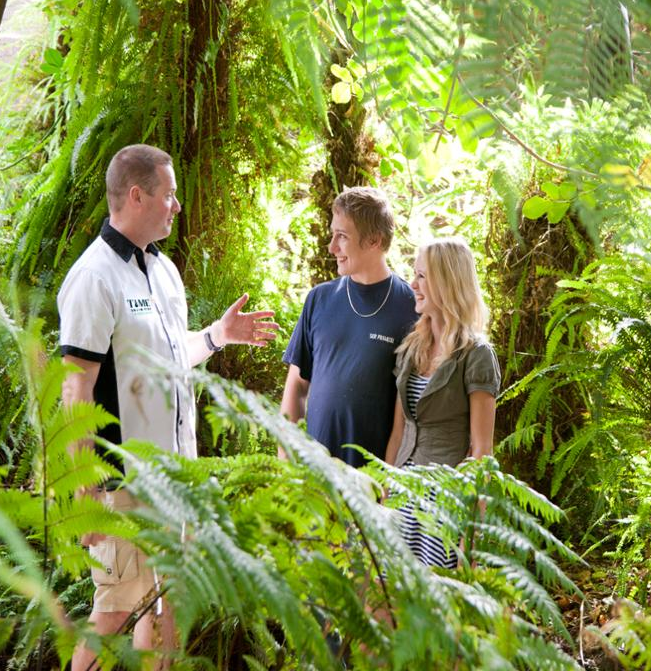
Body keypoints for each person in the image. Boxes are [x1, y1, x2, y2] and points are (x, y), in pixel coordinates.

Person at [58, 144, 278, 671]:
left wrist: (218, 336)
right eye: (170, 194)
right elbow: (75, 388)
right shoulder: (94, 277)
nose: (177, 205)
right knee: (115, 611)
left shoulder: (164, 271)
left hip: (176, 478)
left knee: (165, 610)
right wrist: (82, 487)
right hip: (124, 482)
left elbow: (172, 356)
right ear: (137, 196)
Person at [280, 186, 417, 467]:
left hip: (374, 480)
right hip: (314, 478)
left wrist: (390, 481)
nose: (332, 247)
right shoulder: (319, 299)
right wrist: (285, 464)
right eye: (333, 234)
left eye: (342, 236)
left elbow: (413, 411)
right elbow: (296, 387)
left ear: (374, 240)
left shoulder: (411, 307)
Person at [384, 237, 500, 568]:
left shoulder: (476, 354)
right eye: (414, 274)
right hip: (401, 494)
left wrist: (471, 533)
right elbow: (398, 432)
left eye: (422, 276)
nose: (413, 284)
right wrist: (384, 493)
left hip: (445, 503)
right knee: (393, 590)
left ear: (447, 283)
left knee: (436, 592)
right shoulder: (412, 348)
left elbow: (482, 451)